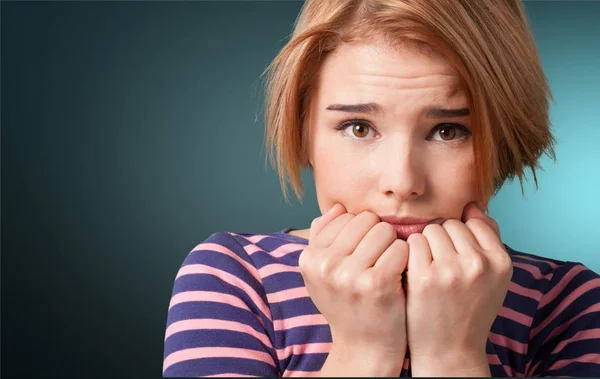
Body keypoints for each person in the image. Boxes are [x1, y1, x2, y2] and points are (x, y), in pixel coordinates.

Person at [162, 0, 600, 376]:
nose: (402, 183)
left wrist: (452, 357)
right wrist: (362, 353)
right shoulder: (236, 279)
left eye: (448, 131)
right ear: (303, 131)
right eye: (358, 127)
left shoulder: (567, 303)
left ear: (504, 139)